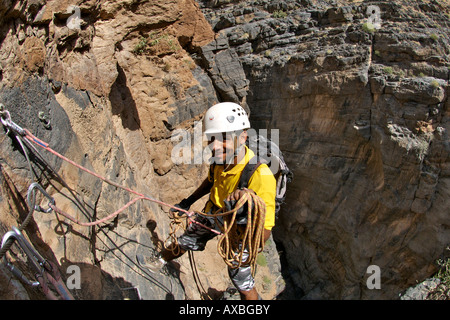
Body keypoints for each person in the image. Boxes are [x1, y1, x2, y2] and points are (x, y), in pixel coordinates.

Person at [141, 102, 276, 300]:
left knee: (241, 279)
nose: (214, 145)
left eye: (223, 138)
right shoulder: (220, 160)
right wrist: (188, 201)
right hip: (214, 213)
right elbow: (210, 182)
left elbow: (265, 229)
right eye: (211, 138)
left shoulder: (260, 175)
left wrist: (242, 249)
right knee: (187, 239)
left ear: (242, 137)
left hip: (240, 231)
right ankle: (160, 259)